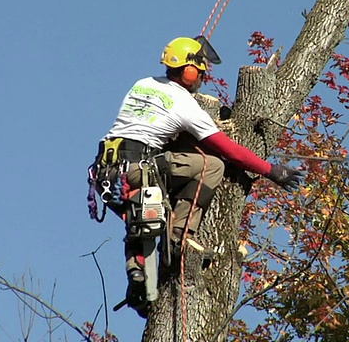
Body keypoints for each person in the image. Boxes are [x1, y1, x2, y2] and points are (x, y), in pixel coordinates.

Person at [91, 36, 301, 317]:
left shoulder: (142, 84)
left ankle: (140, 282)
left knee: (142, 220)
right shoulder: (185, 104)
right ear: (190, 72)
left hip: (107, 176)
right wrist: (272, 170)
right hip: (138, 171)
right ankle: (179, 239)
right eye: (201, 71)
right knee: (212, 165)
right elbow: (233, 153)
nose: (203, 77)